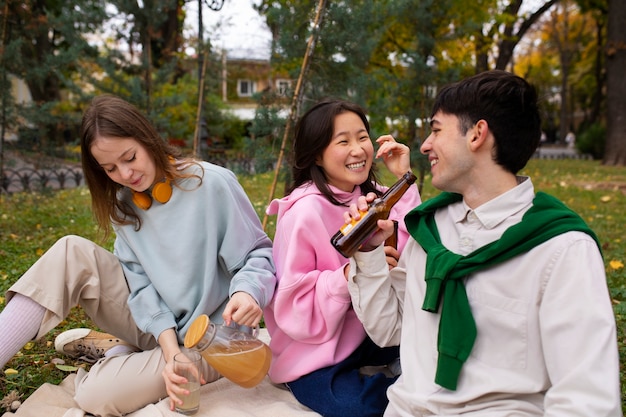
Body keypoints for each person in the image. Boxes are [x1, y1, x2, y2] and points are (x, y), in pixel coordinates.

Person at [344, 70, 622, 416]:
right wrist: (369, 253)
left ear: (477, 134)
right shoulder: (430, 232)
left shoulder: (561, 250)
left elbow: (586, 400)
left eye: (436, 130)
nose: (425, 145)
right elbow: (391, 330)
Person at [0, 95, 276, 415]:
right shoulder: (126, 204)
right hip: (159, 328)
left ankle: (120, 354)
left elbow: (258, 254)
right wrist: (170, 351)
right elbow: (141, 288)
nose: (126, 174)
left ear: (147, 139)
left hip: (214, 339)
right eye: (110, 168)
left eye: (130, 157)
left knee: (94, 396)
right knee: (70, 251)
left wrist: (248, 291)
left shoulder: (213, 183)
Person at [263, 99, 421, 417]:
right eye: (343, 141)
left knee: (435, 341)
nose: (358, 149)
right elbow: (293, 302)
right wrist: (349, 275)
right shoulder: (303, 212)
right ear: (317, 154)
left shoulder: (374, 194)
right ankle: (405, 389)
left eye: (362, 137)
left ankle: (407, 376)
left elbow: (414, 245)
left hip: (369, 331)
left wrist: (404, 176)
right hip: (315, 350)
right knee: (354, 406)